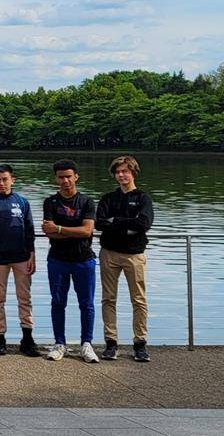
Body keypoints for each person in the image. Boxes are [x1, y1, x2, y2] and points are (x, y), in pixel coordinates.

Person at [97, 155, 154, 363]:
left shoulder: (142, 198)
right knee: (108, 299)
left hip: (135, 255)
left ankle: (140, 344)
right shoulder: (108, 198)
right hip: (109, 253)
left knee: (138, 300)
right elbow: (100, 224)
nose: (121, 175)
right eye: (118, 172)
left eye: (125, 171)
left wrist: (117, 221)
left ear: (133, 173)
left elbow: (144, 224)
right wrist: (127, 225)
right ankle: (111, 343)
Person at [42, 159, 99, 363]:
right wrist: (71, 232)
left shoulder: (87, 202)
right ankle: (60, 343)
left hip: (84, 260)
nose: (65, 180)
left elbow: (87, 231)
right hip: (58, 260)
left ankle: (87, 344)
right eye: (61, 177)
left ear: (76, 177)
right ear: (56, 178)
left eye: (68, 176)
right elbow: (48, 233)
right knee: (58, 302)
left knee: (87, 304)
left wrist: (59, 229)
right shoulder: (50, 202)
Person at [0, 164, 39, 357]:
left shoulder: (22, 202)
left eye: (5, 179)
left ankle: (27, 337)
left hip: (22, 257)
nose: (1, 183)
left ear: (12, 180)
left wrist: (32, 256)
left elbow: (30, 230)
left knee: (25, 298)